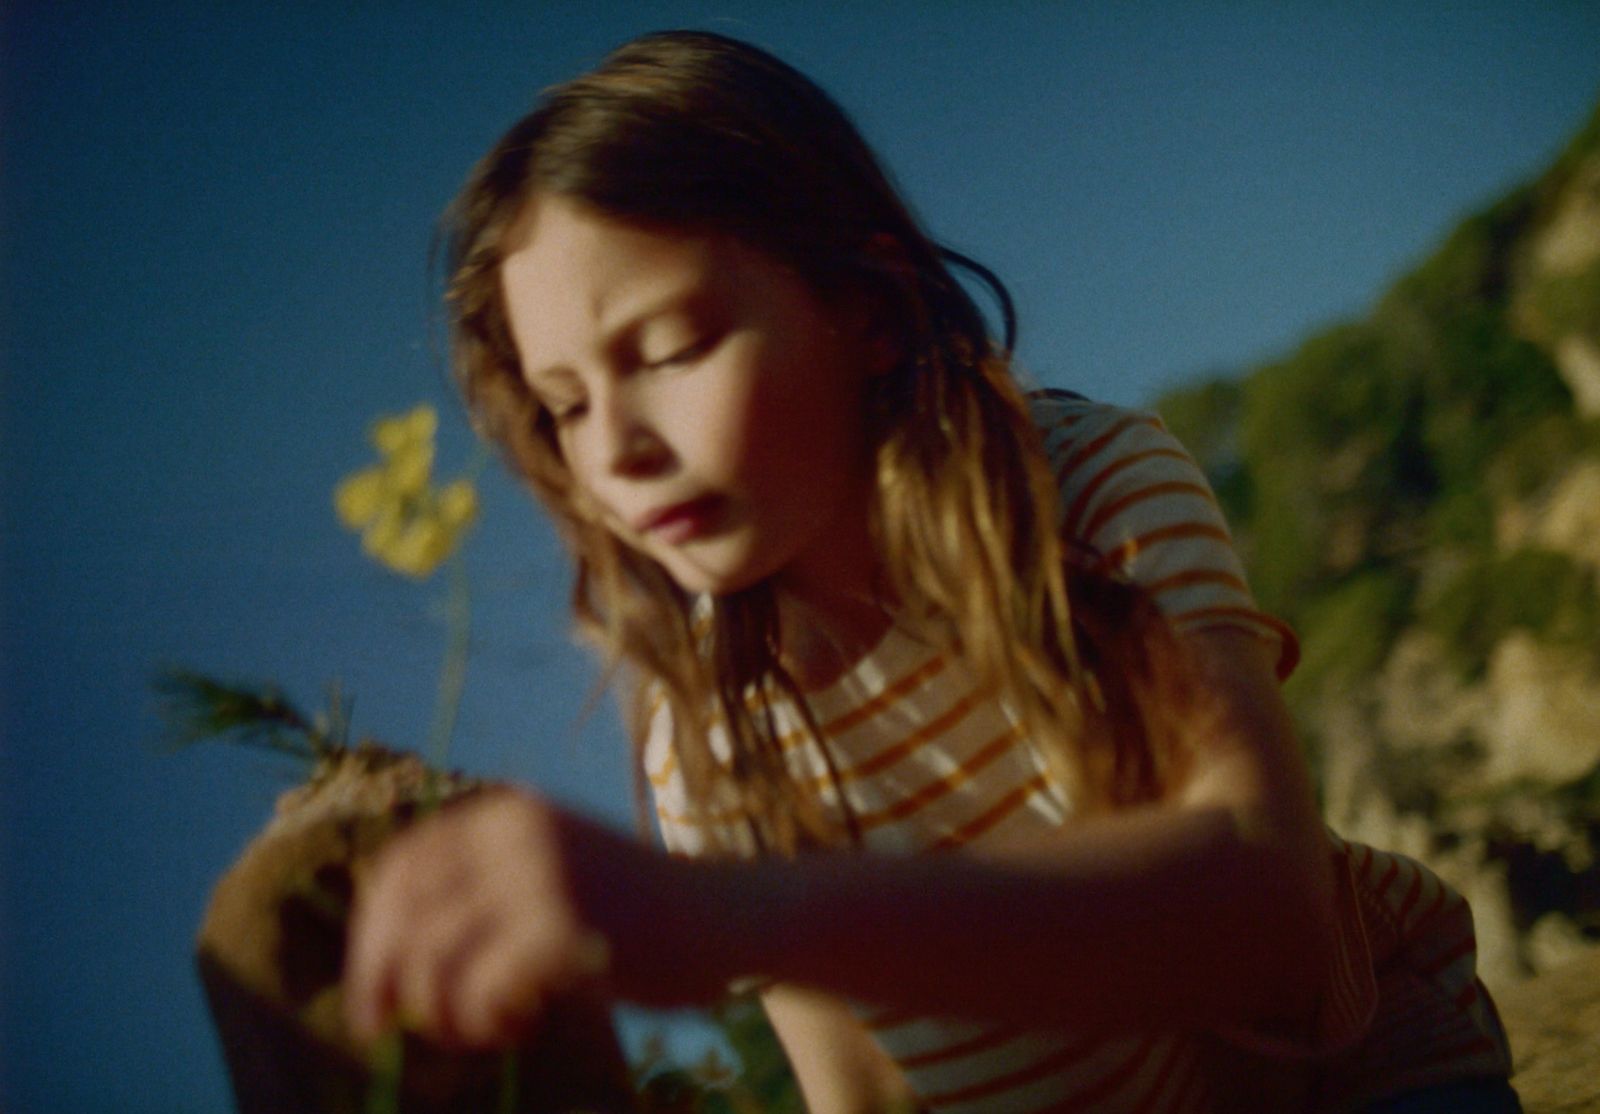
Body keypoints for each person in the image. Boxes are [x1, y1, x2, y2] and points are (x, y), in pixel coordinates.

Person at [341, 30, 1519, 1113]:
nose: (617, 447)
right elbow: (853, 1087)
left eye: (671, 347)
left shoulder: (1088, 485)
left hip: (1349, 1075)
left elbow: (1268, 919)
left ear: (869, 309)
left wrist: (732, 913)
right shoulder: (706, 735)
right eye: (564, 409)